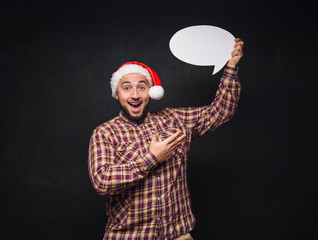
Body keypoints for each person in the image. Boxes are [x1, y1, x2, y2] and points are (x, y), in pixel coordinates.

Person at [88, 38, 244, 240]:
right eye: (126, 88)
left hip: (177, 235)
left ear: (151, 92)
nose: (134, 95)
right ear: (117, 94)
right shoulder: (105, 133)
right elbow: (103, 180)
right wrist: (152, 158)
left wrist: (231, 67)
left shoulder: (175, 120)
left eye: (141, 87)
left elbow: (221, 111)